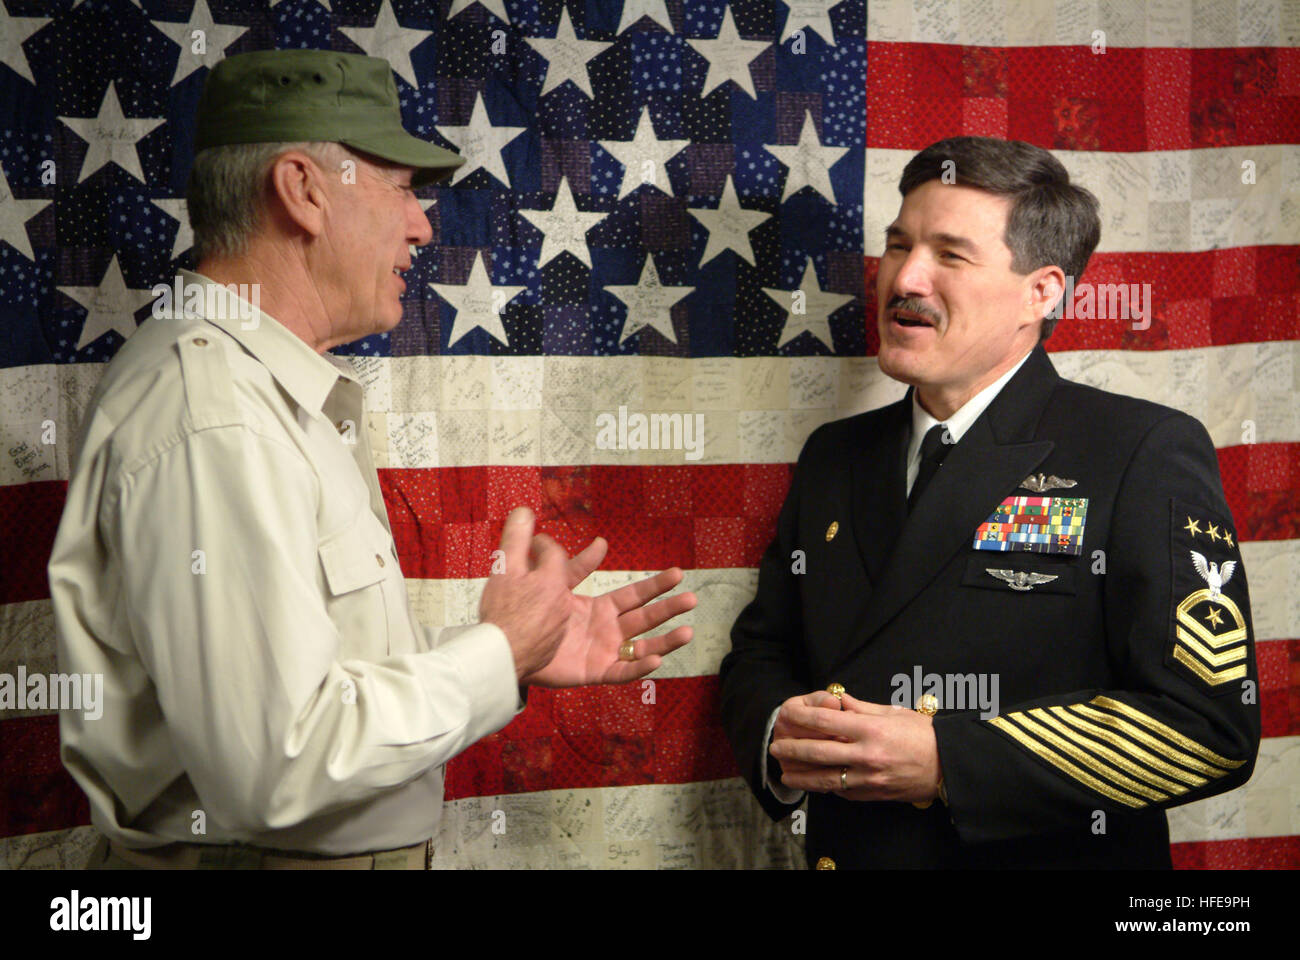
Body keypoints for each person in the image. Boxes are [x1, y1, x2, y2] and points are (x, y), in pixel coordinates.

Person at [48, 49, 695, 870]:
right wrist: (495, 655)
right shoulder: (215, 417)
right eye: (399, 187)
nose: (422, 225)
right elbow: (274, 766)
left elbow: (317, 671)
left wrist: (513, 649)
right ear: (303, 190)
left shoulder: (260, 389)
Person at [719, 136, 1260, 869]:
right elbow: (763, 651)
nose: (905, 277)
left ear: (1041, 292)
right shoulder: (833, 456)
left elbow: (1209, 727)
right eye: (899, 245)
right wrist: (781, 730)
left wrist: (950, 762)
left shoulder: (1139, 451)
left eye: (950, 254)